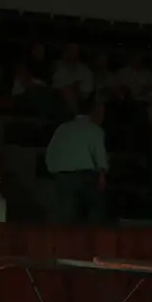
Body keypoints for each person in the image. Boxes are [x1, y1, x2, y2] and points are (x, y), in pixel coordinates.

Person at [45, 96, 110, 224]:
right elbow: (100, 157)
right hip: (86, 176)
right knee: (95, 213)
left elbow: (51, 153)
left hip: (63, 175)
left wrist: (54, 171)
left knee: (67, 216)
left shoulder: (62, 128)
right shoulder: (95, 130)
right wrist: (102, 174)